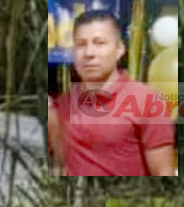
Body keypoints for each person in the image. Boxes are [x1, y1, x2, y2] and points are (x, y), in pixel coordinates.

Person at [48, 10, 175, 176]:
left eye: (99, 43)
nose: (89, 53)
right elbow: (61, 160)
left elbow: (163, 172)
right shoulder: (63, 103)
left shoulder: (148, 101)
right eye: (81, 44)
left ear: (120, 49)